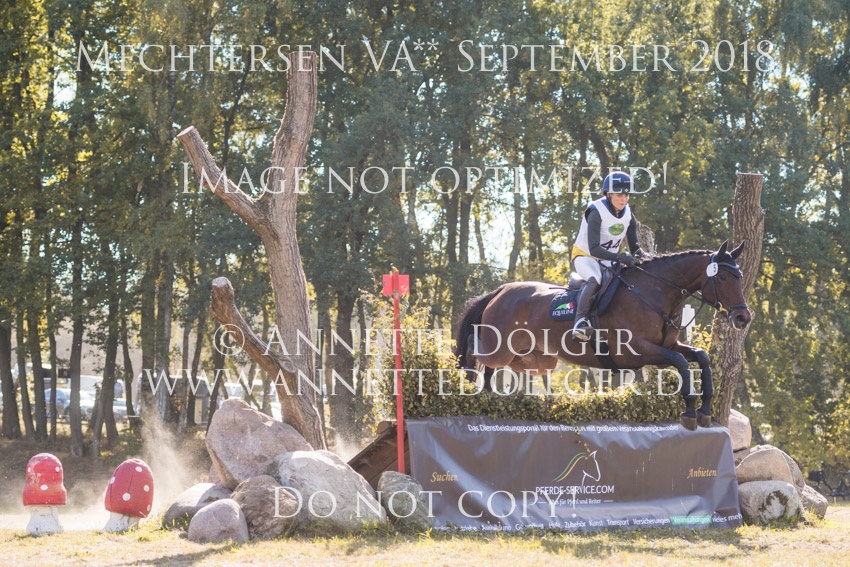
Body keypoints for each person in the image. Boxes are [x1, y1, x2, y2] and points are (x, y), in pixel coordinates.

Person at [570, 171, 645, 341]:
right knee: (595, 278)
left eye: (626, 195)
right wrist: (621, 258)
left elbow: (635, 248)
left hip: (608, 259)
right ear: (608, 194)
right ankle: (580, 321)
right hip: (585, 256)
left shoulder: (628, 213)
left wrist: (645, 257)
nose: (623, 199)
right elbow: (594, 249)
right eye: (619, 195)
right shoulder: (596, 211)